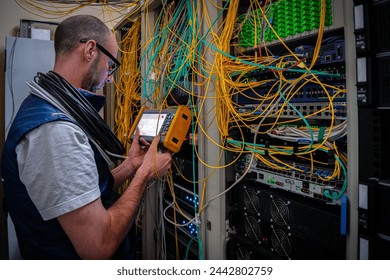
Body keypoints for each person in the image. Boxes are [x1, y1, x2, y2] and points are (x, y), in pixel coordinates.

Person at [0, 14, 172, 259]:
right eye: (111, 64)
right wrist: (145, 175)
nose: (110, 77)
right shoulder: (54, 131)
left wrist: (131, 165)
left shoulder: (46, 106)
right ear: (91, 50)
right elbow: (97, 247)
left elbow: (84, 189)